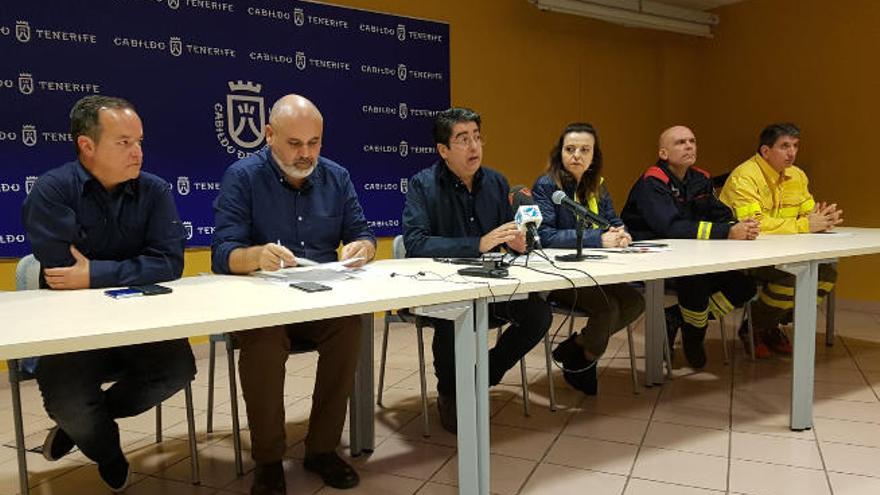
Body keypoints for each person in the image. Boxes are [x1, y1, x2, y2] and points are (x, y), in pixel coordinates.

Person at [20, 95, 195, 492]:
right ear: (87, 145)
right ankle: (106, 449)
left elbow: (170, 262)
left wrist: (95, 272)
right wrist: (131, 269)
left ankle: (82, 427)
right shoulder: (52, 191)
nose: (138, 153)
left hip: (139, 322)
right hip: (72, 330)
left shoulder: (154, 191)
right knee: (69, 403)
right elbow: (62, 273)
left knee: (178, 370)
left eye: (139, 141)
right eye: (124, 143)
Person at [212, 95, 374, 493]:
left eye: (314, 143)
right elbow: (222, 254)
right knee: (264, 344)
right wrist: (255, 255)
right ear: (268, 136)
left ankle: (321, 450)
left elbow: (363, 234)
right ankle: (268, 459)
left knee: (349, 330)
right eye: (294, 143)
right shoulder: (242, 176)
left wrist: (362, 249)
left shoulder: (337, 177)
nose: (306, 154)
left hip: (320, 299)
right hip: (264, 306)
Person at [402, 107, 552, 433]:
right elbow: (415, 243)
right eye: (463, 139)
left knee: (538, 314)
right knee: (454, 316)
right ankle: (450, 393)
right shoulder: (422, 186)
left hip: (490, 285)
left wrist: (516, 240)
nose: (474, 147)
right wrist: (477, 244)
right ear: (443, 150)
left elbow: (508, 231)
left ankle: (483, 375)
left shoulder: (497, 182)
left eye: (477, 137)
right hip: (440, 289)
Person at [621, 125, 757, 368]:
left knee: (744, 285)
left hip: (692, 256)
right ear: (663, 153)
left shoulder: (700, 178)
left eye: (692, 141)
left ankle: (676, 318)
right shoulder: (653, 181)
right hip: (653, 258)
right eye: (680, 142)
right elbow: (670, 228)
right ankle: (694, 338)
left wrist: (738, 225)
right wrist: (726, 232)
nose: (689, 146)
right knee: (696, 283)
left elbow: (720, 213)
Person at [531, 122, 645, 394]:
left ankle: (578, 348)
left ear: (595, 155)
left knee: (634, 302)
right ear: (560, 153)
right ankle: (585, 361)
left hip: (597, 270)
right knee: (608, 309)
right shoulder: (547, 186)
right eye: (570, 149)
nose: (577, 155)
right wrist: (599, 239)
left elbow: (613, 221)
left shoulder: (597, 186)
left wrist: (622, 233)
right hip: (560, 274)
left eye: (585, 150)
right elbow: (545, 236)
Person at [719, 123, 842, 357]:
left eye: (795, 146)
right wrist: (806, 225)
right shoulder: (745, 176)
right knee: (789, 278)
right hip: (745, 253)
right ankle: (755, 326)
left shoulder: (797, 175)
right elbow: (756, 225)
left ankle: (771, 324)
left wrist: (824, 218)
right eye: (785, 146)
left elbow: (808, 212)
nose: (792, 152)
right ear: (766, 151)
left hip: (783, 250)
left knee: (826, 275)